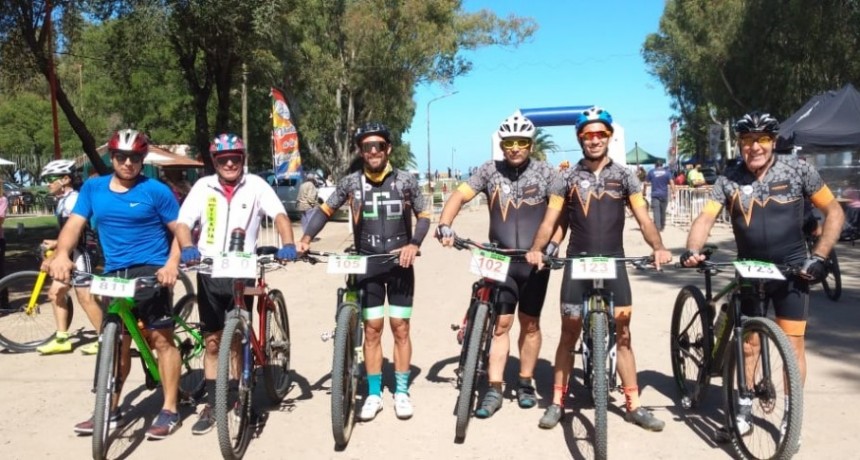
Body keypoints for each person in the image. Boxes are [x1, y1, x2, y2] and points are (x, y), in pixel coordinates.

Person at [681, 111, 844, 440]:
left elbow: (834, 212)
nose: (755, 147)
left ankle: (790, 416)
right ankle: (742, 411)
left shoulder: (798, 170)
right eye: (747, 140)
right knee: (750, 345)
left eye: (762, 139)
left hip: (793, 270)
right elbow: (705, 217)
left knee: (793, 345)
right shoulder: (730, 177)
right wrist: (692, 248)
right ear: (740, 144)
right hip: (750, 271)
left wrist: (820, 257)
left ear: (773, 142)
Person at [525, 107, 671, 431]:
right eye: (588, 135)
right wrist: (537, 249)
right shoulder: (565, 178)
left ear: (609, 137)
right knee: (569, 332)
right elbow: (550, 220)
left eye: (600, 134)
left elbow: (644, 218)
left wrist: (658, 247)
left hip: (615, 261)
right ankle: (557, 401)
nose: (594, 140)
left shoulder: (625, 176)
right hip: (578, 262)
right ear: (580, 138)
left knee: (624, 334)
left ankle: (633, 403)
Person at [48, 129, 184, 440]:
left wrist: (171, 264)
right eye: (121, 157)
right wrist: (62, 255)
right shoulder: (94, 188)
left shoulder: (156, 190)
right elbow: (74, 225)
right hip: (114, 273)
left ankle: (170, 408)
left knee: (160, 340)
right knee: (116, 341)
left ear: (142, 159)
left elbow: (180, 230)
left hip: (152, 268)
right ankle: (109, 408)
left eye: (135, 157)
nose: (128, 163)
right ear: (112, 157)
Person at [298, 122, 431, 421]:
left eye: (379, 146)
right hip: (367, 264)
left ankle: (401, 391)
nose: (373, 151)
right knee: (372, 330)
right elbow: (323, 211)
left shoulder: (406, 181)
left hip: (400, 264)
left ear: (388, 149)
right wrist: (305, 238)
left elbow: (424, 215)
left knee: (400, 328)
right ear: (361, 151)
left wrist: (413, 243)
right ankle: (373, 394)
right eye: (367, 147)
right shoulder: (350, 183)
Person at [436, 112, 560, 418]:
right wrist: (444, 224)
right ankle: (494, 387)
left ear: (530, 144)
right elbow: (459, 196)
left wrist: (551, 246)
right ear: (501, 144)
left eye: (521, 142)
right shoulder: (489, 170)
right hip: (499, 258)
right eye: (508, 142)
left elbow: (560, 216)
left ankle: (526, 382)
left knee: (530, 324)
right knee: (501, 324)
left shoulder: (547, 173)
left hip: (533, 261)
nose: (514, 148)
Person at [174, 133, 298, 435]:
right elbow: (183, 223)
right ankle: (216, 403)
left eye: (235, 158)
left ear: (243, 159)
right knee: (214, 342)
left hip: (242, 270)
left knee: (237, 339)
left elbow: (279, 215)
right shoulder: (204, 186)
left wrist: (288, 242)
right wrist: (187, 245)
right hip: (209, 271)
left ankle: (242, 397)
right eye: (223, 159)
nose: (229, 163)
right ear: (215, 162)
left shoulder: (255, 185)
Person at [35, 160, 103, 355]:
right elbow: (68, 232)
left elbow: (79, 233)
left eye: (50, 179)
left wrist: (56, 255)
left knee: (85, 296)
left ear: (65, 179)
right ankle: (62, 339)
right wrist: (57, 243)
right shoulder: (64, 200)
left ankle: (105, 339)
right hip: (74, 250)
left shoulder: (73, 199)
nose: (47, 183)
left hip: (84, 251)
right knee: (55, 293)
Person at [645, 159, 675, 232]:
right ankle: (662, 226)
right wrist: (673, 192)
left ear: (655, 165)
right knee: (663, 211)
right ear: (662, 165)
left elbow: (645, 183)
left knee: (656, 211)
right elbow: (671, 182)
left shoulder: (651, 172)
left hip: (655, 194)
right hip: (664, 194)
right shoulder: (667, 172)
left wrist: (644, 192)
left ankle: (657, 227)